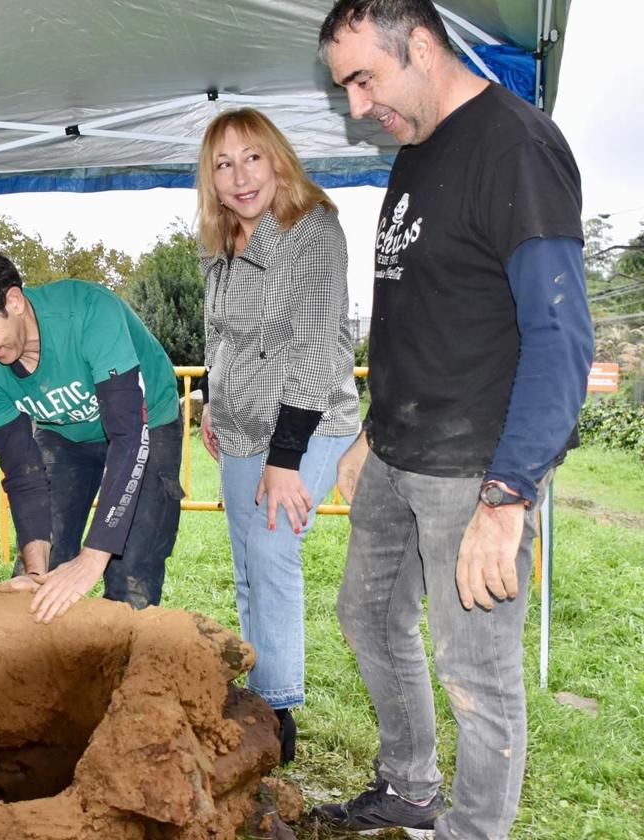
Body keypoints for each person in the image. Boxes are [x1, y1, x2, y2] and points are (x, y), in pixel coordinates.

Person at [315, 2, 593, 837]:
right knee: (366, 615)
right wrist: (372, 429)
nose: (357, 106)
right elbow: (423, 311)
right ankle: (408, 786)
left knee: (476, 674)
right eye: (344, 88)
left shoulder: (516, 147)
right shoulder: (415, 150)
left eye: (365, 79)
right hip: (399, 451)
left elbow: (560, 334)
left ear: (425, 46)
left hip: (476, 469)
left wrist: (507, 498)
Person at [196, 108, 359, 765]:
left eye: (251, 157)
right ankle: (259, 689)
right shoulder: (216, 237)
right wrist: (211, 398)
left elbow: (317, 353)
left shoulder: (314, 230)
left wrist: (285, 461)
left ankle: (279, 713)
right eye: (223, 164)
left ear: (278, 158)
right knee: (247, 563)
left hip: (307, 421)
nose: (239, 176)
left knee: (271, 548)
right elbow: (218, 333)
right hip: (238, 424)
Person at [0, 247, 183, 624]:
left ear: (14, 301)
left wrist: (94, 557)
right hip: (65, 434)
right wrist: (37, 569)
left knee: (129, 575)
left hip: (146, 423)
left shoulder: (90, 312)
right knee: (35, 575)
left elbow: (128, 436)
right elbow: (22, 470)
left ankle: (124, 670)